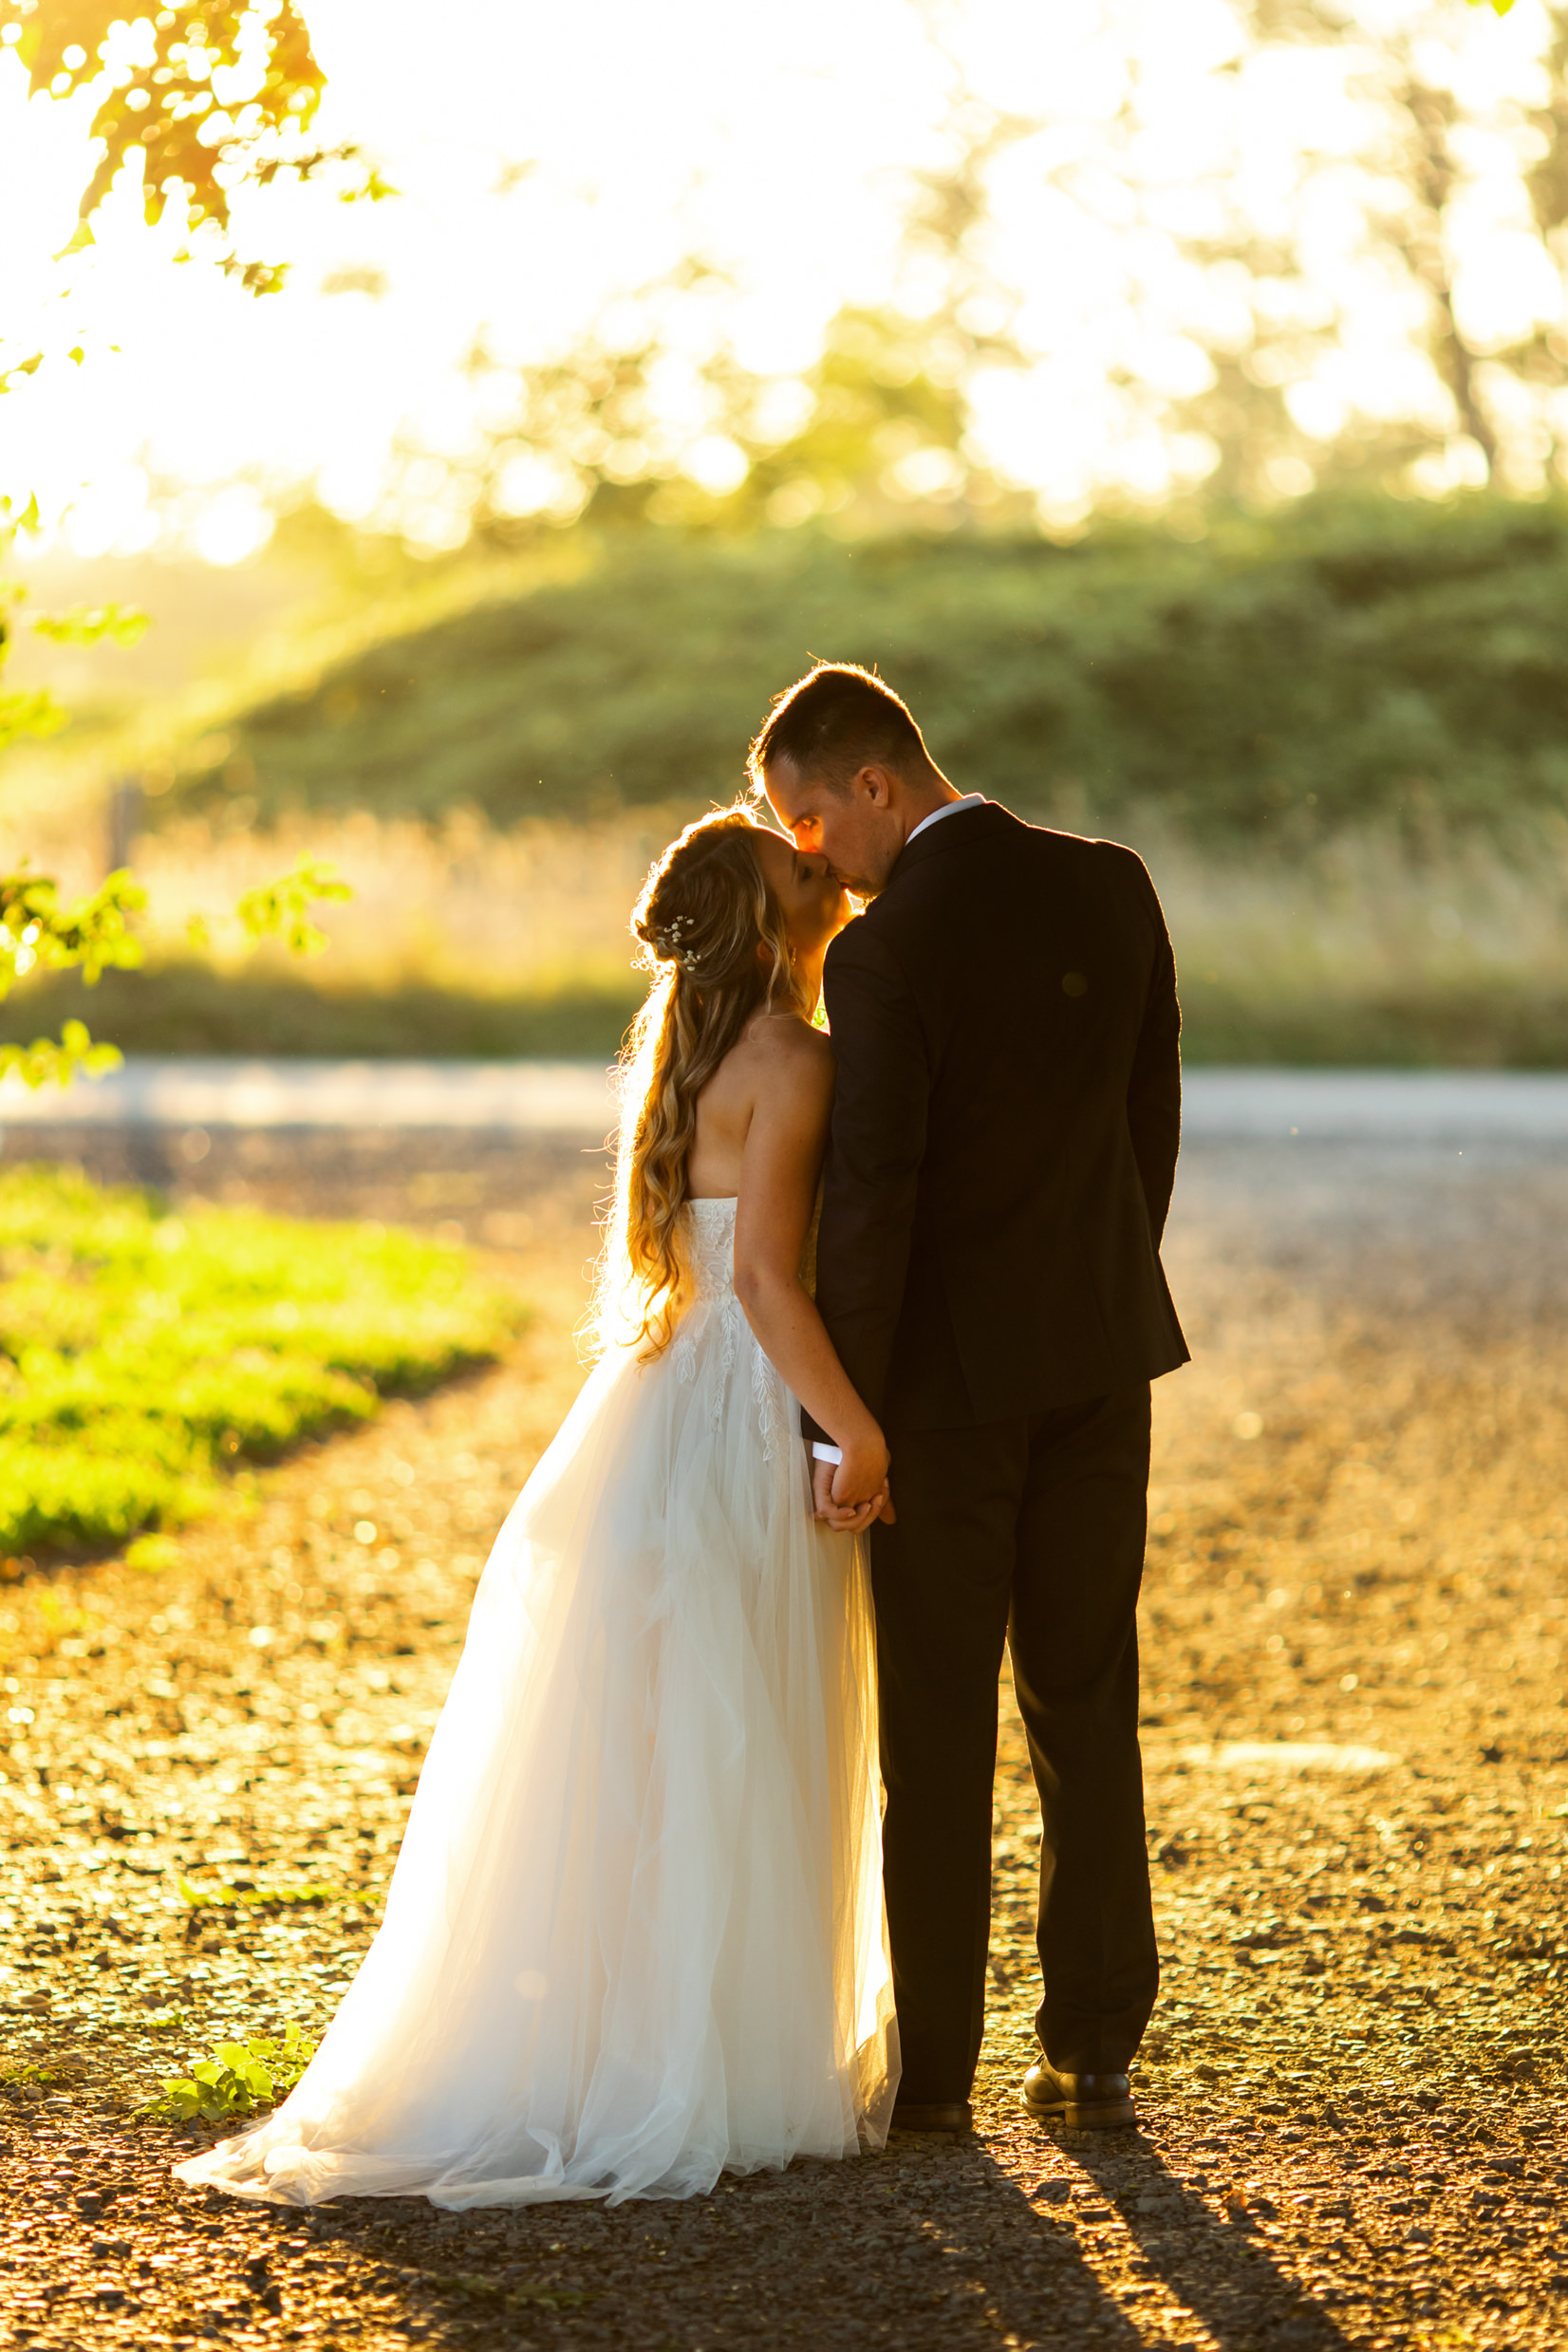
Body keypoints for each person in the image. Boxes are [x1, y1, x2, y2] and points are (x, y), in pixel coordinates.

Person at [174, 807, 899, 2209]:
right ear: (767, 929)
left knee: (659, 1748)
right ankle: (712, 2064)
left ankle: (606, 2047)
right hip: (739, 1417)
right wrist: (855, 1426)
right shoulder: (796, 1061)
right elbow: (764, 1281)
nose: (825, 873)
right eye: (798, 870)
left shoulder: (674, 1063)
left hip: (643, 1418)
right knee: (738, 1731)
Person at [756, 663, 1187, 2136]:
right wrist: (1102, 1287)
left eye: (808, 820)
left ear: (875, 784)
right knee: (1086, 1696)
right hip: (1100, 1357)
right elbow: (1152, 1118)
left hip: (938, 1396)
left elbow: (872, 1201)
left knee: (935, 1728)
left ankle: (936, 2075)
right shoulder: (1111, 886)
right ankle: (1095, 2044)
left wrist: (844, 1419)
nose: (809, 854)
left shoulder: (889, 960)